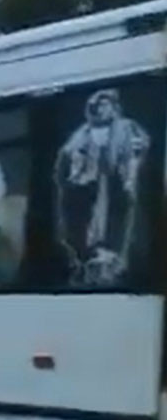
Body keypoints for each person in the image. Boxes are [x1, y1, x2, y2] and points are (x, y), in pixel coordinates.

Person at [54, 89, 150, 286]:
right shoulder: (82, 133)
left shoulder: (127, 127)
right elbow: (66, 161)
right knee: (86, 228)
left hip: (115, 189)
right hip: (88, 193)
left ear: (114, 107)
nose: (100, 108)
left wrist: (128, 175)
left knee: (113, 225)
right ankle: (88, 260)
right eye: (97, 105)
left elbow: (137, 150)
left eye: (105, 104)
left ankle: (112, 261)